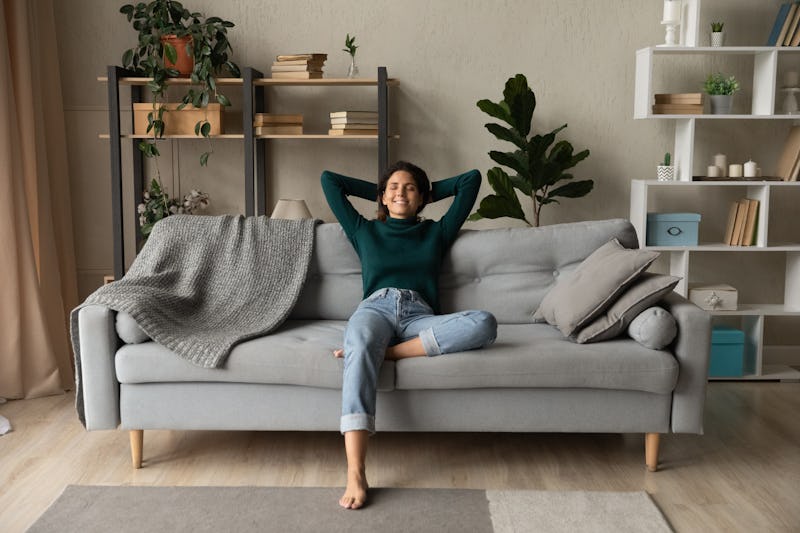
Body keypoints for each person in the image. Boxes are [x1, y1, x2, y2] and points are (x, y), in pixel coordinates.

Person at [320, 161, 498, 510]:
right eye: (393, 188)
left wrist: (427, 191)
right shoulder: (363, 230)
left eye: (410, 188)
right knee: (358, 340)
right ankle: (356, 471)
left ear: (422, 200)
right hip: (375, 309)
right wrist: (384, 186)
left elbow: (470, 180)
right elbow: (331, 180)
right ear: (382, 197)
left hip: (420, 315)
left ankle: (386, 353)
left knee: (484, 323)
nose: (401, 192)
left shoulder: (437, 231)